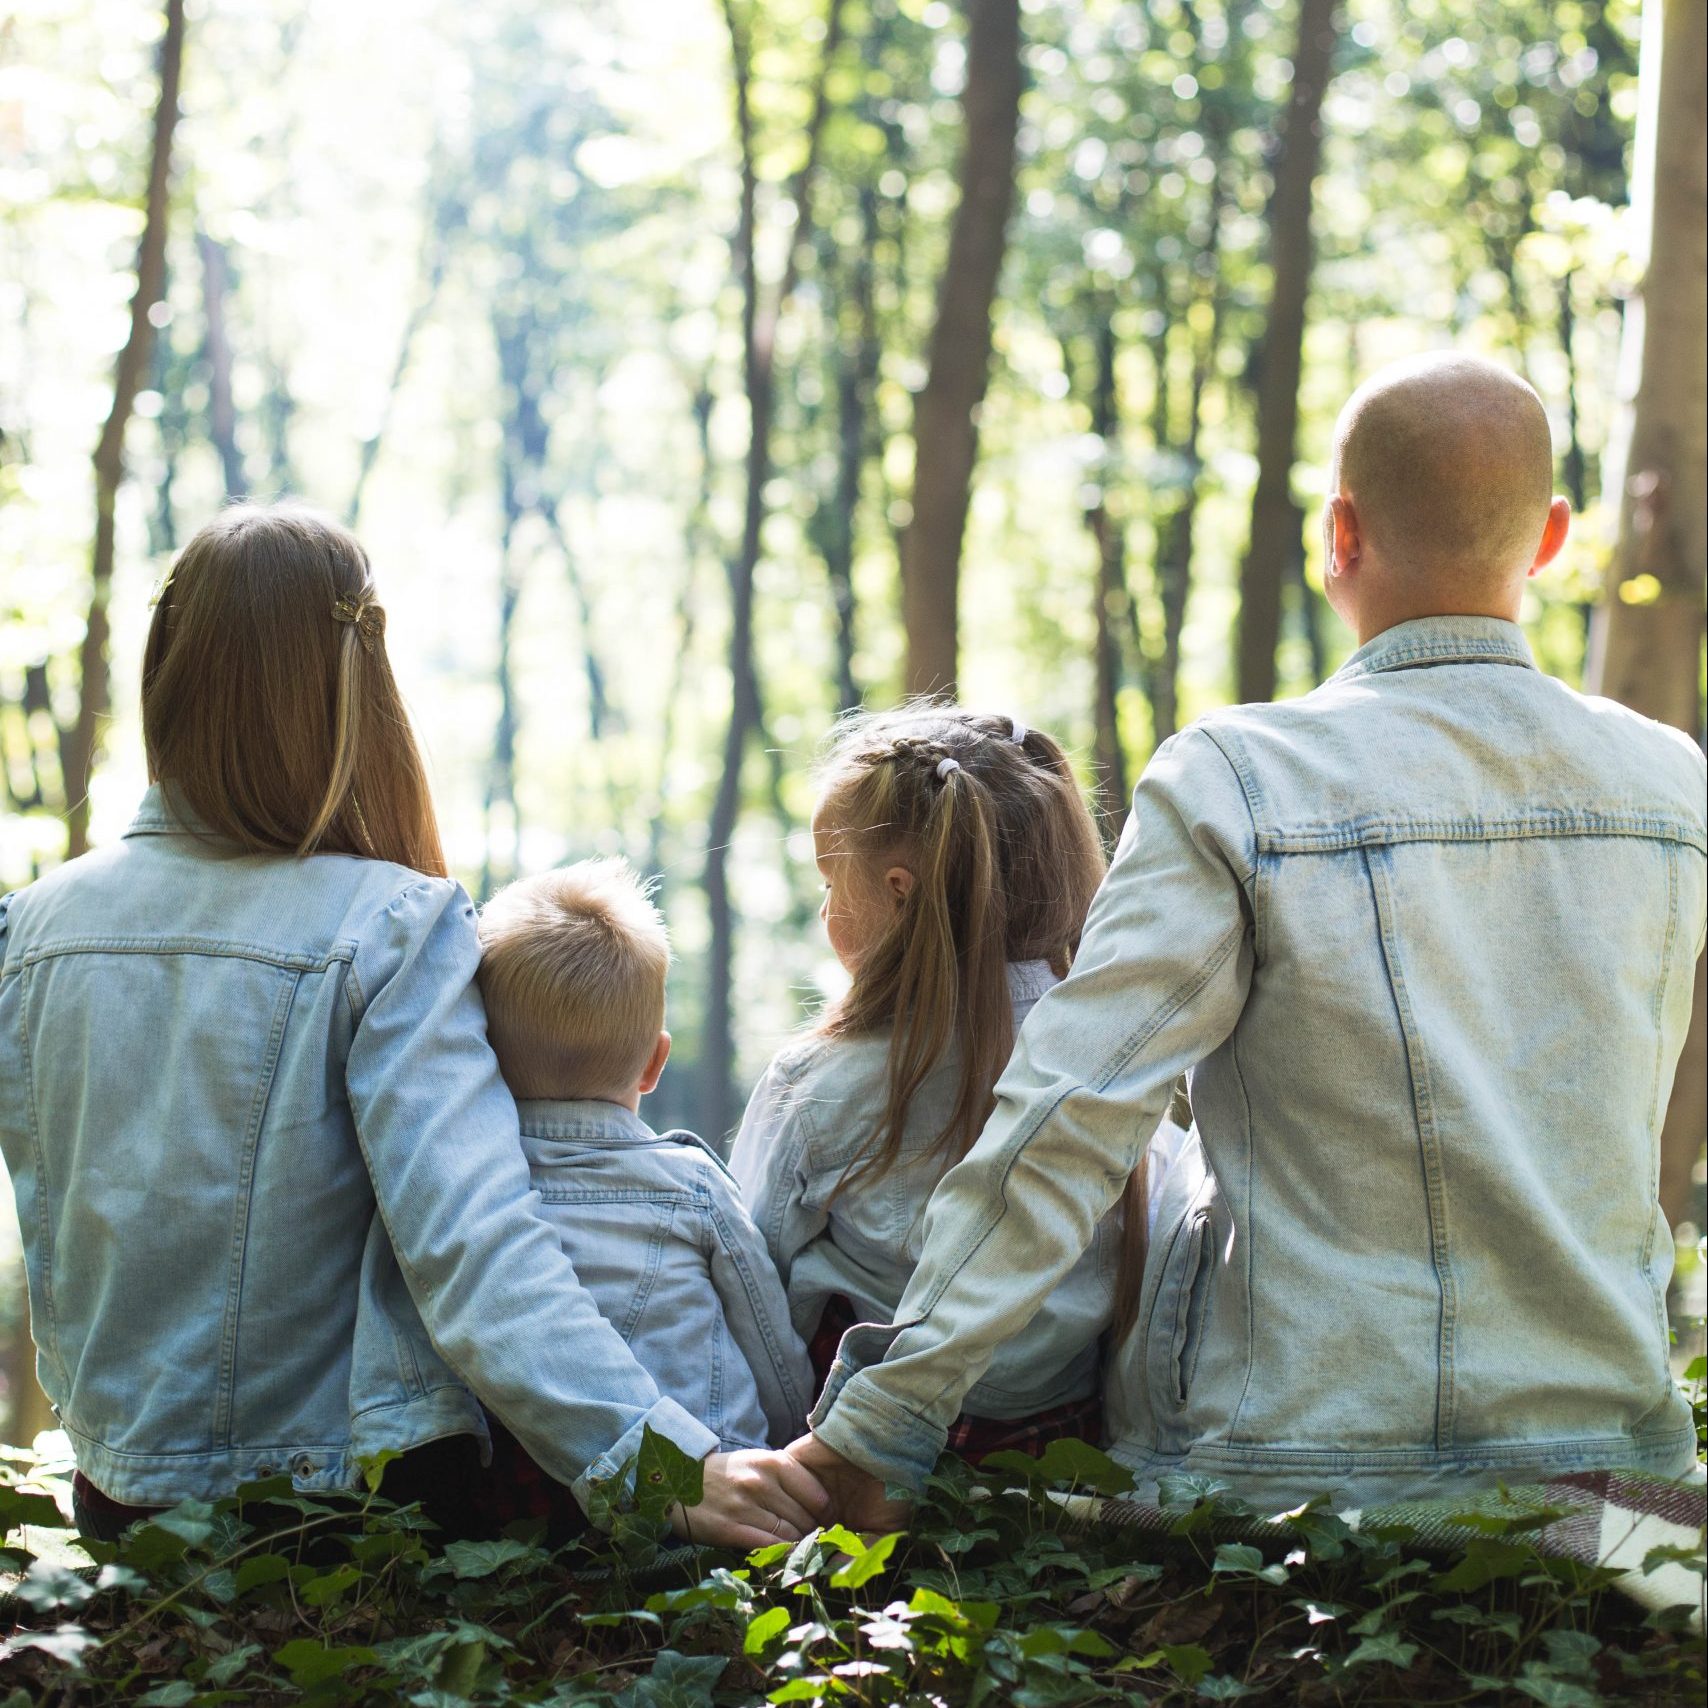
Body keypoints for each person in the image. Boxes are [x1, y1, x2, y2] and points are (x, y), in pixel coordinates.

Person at [789, 353, 1707, 1524]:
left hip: (1287, 1466)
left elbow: (1071, 1113)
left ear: (1338, 533)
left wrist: (884, 1421)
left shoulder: (1238, 778)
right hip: (1611, 1468)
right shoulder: (1670, 784)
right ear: (1551, 540)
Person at [0, 503, 827, 1549]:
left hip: (119, 1503)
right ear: (357, 686)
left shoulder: (29, 928)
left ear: (167, 666)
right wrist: (661, 1463)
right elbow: (474, 1247)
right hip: (333, 1516)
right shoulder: (391, 925)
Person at [731, 707, 1186, 1459]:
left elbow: (754, 1282)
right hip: (1059, 1452)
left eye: (830, 882)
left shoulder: (816, 1083)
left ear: (900, 892)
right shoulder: (1119, 1074)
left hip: (850, 1451)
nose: (823, 910)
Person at [474, 858, 812, 1455]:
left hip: (530, 1494)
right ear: (656, 1064)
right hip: (710, 1481)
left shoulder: (467, 1191)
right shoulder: (692, 1187)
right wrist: (789, 1441)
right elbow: (771, 1349)